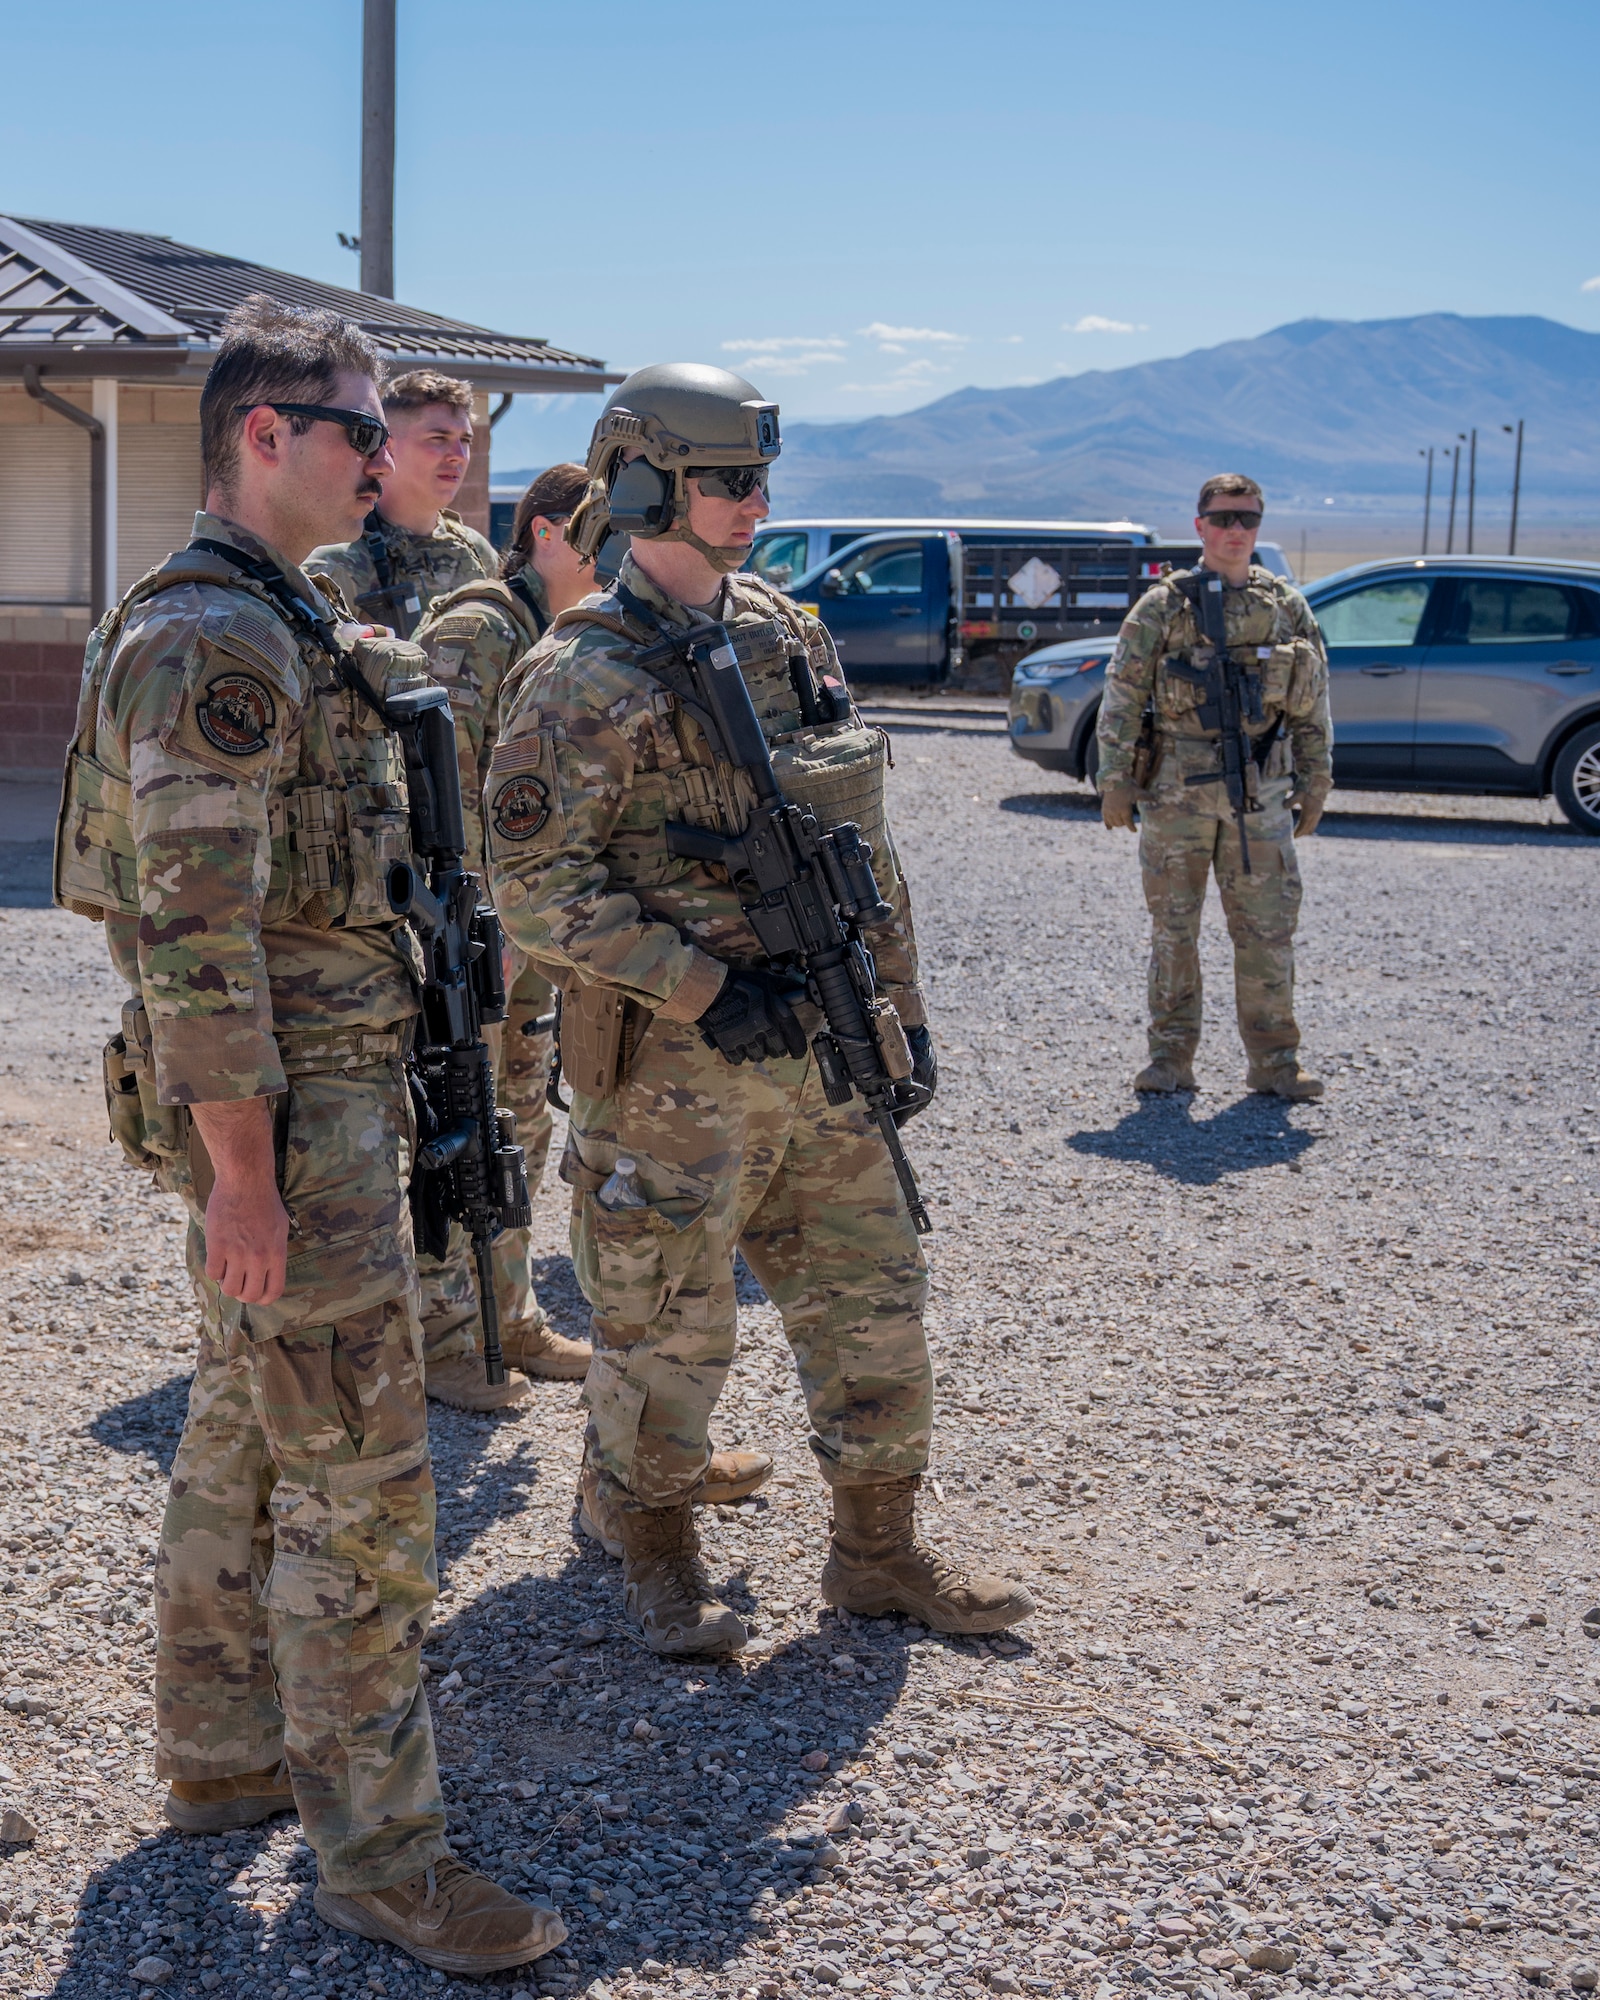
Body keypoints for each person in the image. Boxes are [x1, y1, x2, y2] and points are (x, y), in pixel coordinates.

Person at [54, 293, 563, 1977]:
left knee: (244, 1430)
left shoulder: (287, 617)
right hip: (296, 1123)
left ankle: (217, 1761)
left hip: (320, 1106)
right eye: (355, 430)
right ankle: (382, 1857)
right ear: (261, 437)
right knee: (359, 1488)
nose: (378, 458)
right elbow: (196, 942)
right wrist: (251, 1179)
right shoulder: (221, 640)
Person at [484, 362, 1035, 1656]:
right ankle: (658, 1555)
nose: (754, 501)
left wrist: (893, 1001)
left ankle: (879, 1555)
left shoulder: (788, 633)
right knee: (666, 1325)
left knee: (875, 1295)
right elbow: (530, 892)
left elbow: (860, 839)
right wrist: (701, 985)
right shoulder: (578, 675)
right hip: (681, 1069)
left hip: (821, 1053)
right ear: (641, 483)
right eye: (728, 479)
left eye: (760, 478)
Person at [411, 470, 777, 1517]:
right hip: (475, 933)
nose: (615, 550)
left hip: (537, 948)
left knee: (522, 1123)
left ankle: (513, 1315)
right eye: (594, 534)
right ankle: (448, 1333)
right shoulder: (486, 631)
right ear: (548, 537)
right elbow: (452, 793)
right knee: (459, 1130)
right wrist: (488, 926)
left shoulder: (625, 636)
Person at [1096, 473, 1333, 1100]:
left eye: (1248, 520)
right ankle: (1170, 1058)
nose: (1236, 531)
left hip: (1260, 796)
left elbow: (1312, 705)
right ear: (1200, 525)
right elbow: (1122, 694)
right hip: (1176, 796)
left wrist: (1317, 779)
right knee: (1174, 931)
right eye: (1224, 518)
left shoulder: (1286, 606)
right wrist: (1114, 780)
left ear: (1259, 526)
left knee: (1267, 933)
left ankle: (1276, 1063)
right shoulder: (1164, 607)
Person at [307, 369, 495, 639]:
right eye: (438, 439)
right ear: (389, 446)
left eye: (464, 440)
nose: (458, 456)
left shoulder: (478, 554)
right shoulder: (339, 563)